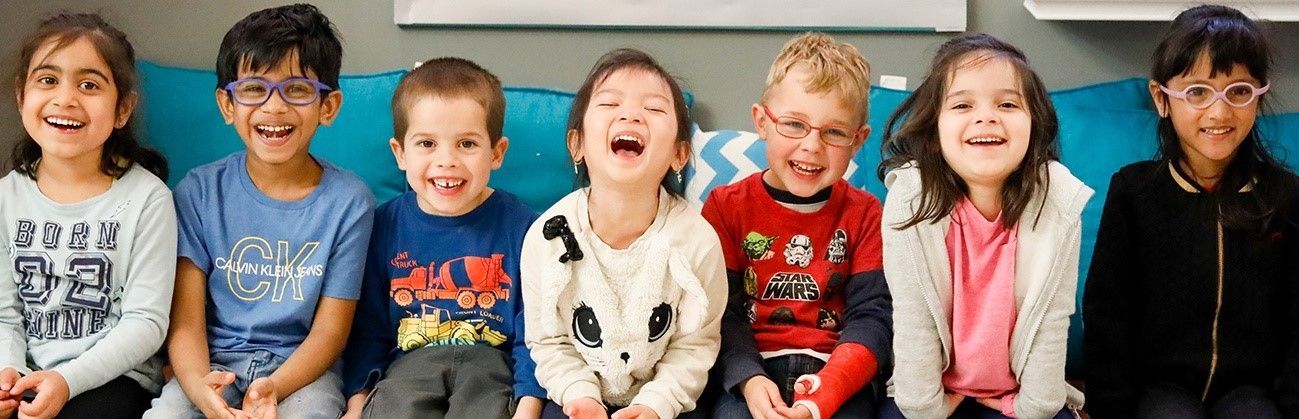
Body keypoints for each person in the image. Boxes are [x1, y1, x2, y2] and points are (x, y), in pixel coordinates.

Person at [143, 4, 375, 418]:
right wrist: (198, 388)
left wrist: (274, 386)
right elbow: (186, 322)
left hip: (303, 372)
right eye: (254, 89)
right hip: (213, 365)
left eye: (298, 89)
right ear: (228, 104)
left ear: (329, 106)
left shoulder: (350, 202)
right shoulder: (198, 192)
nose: (274, 107)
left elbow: (330, 332)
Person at [1083, 5, 1299, 418]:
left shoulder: (1284, 195)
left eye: (1238, 91)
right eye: (1197, 92)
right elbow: (1107, 313)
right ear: (1162, 99)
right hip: (1160, 391)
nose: (1219, 112)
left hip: (1251, 392)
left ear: (1259, 95)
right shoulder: (1133, 192)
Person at [876, 33, 1089, 419]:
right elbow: (913, 318)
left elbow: (1053, 320)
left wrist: (1032, 407)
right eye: (962, 104)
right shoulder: (910, 200)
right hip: (931, 394)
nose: (986, 116)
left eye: (1007, 103)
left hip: (1021, 395)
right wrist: (926, 407)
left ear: (1033, 123)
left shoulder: (1058, 202)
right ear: (935, 129)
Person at [520, 48, 726, 419]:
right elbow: (549, 341)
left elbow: (695, 347)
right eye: (610, 103)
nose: (631, 114)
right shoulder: (546, 237)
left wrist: (655, 404)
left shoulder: (698, 241)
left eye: (654, 109)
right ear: (577, 144)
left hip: (668, 399)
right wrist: (579, 396)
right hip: (577, 395)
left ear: (680, 154)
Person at [341, 57, 545, 419]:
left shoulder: (525, 229)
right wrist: (357, 404)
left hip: (490, 370)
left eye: (467, 144)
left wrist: (527, 408)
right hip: (408, 368)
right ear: (399, 153)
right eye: (427, 144)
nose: (446, 160)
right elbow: (367, 333)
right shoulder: (382, 226)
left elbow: (536, 337)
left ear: (496, 153)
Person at [702, 32, 891, 419]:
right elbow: (720, 313)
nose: (811, 146)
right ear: (761, 121)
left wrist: (830, 389)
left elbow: (872, 317)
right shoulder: (725, 207)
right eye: (794, 125)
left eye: (834, 132)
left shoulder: (868, 213)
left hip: (838, 373)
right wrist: (748, 378)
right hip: (748, 373)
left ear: (858, 141)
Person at [0, 12, 176, 419]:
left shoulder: (148, 200)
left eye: (89, 85)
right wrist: (9, 374)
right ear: (21, 94)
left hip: (112, 379)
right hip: (27, 372)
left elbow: (146, 323)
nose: (65, 98)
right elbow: (5, 314)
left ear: (122, 109)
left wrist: (66, 381)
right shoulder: (8, 196)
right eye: (47, 80)